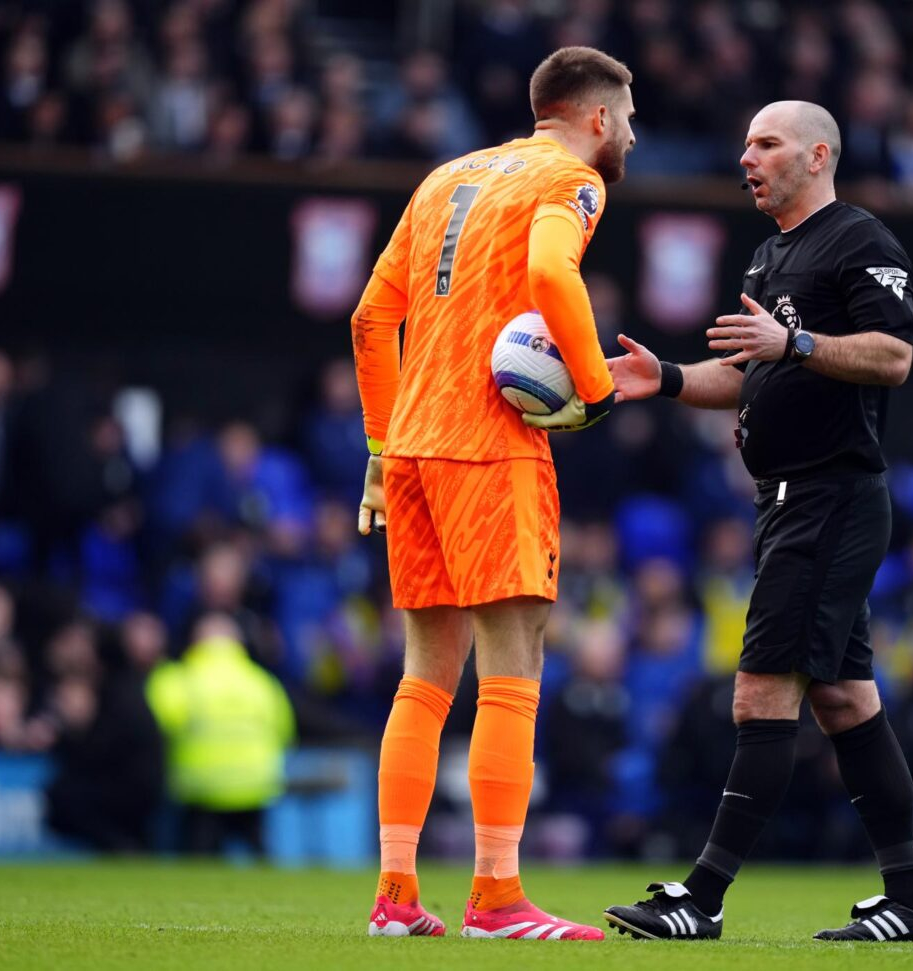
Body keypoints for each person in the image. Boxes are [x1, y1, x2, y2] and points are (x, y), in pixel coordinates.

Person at [601, 100, 913, 943]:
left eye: (766, 143)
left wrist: (796, 345)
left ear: (818, 154)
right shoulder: (770, 254)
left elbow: (894, 356)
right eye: (745, 144)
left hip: (830, 496)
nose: (746, 157)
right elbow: (747, 373)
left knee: (761, 691)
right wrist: (667, 378)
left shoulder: (858, 239)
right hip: (788, 499)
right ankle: (911, 900)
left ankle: (703, 896)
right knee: (846, 700)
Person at [350, 46, 634, 941]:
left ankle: (396, 895)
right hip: (490, 445)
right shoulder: (572, 180)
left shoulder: (447, 175)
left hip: (412, 447)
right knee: (514, 663)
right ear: (596, 116)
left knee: (425, 675)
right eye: (628, 117)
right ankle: (498, 897)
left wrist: (378, 449)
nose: (632, 135)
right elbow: (551, 275)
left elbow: (370, 318)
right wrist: (596, 390)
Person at [145, 613, 296, 857]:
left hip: (201, 785)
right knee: (259, 856)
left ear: (195, 641)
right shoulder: (262, 682)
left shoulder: (179, 679)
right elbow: (284, 731)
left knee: (200, 860)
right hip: (254, 784)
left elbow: (157, 725)